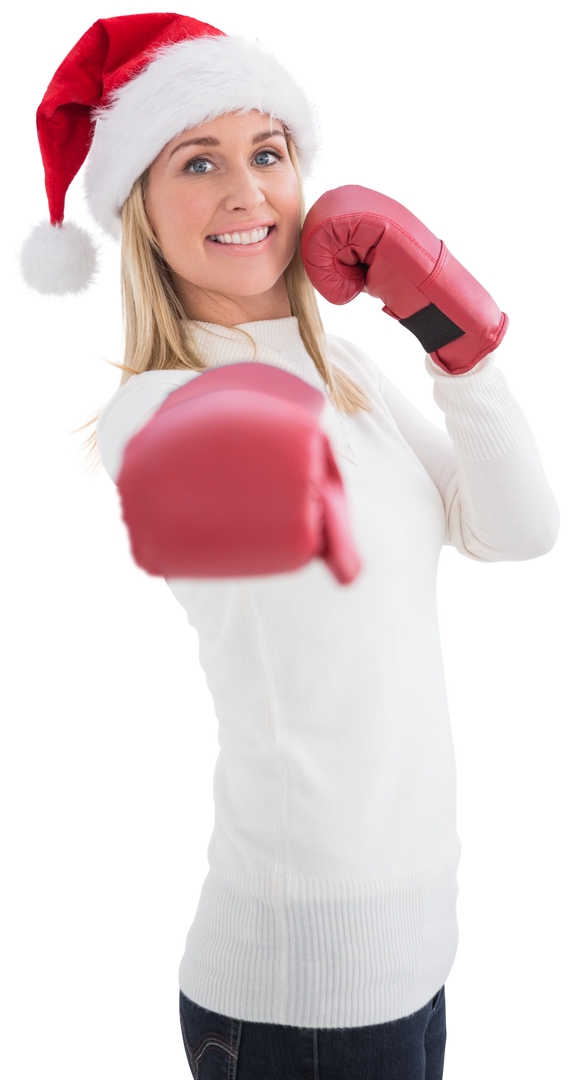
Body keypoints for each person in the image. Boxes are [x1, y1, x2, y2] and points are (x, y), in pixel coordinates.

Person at [10, 11, 563, 1079]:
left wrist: (455, 339)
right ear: (137, 211)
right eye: (197, 161)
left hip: (419, 943)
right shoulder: (163, 406)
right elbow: (191, 457)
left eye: (268, 153)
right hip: (293, 992)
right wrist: (146, 437)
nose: (243, 189)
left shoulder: (349, 367)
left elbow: (517, 535)